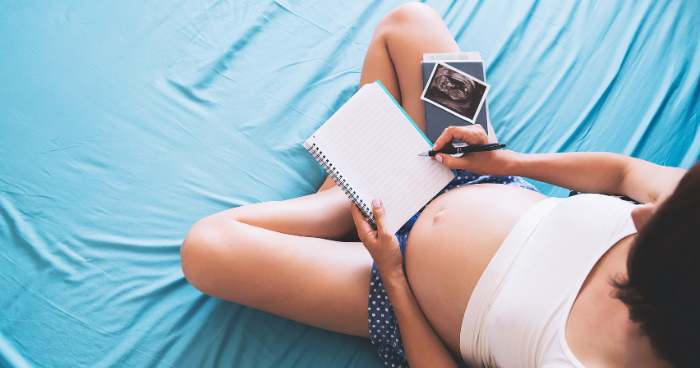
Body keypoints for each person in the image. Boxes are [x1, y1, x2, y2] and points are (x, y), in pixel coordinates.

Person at [179, 3, 698, 367]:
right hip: (471, 172)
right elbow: (622, 174)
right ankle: (357, 189)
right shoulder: (688, 212)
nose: (638, 211)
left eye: (652, 227)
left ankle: (344, 201)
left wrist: (395, 274)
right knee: (409, 23)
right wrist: (506, 160)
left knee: (206, 247)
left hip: (395, 284)